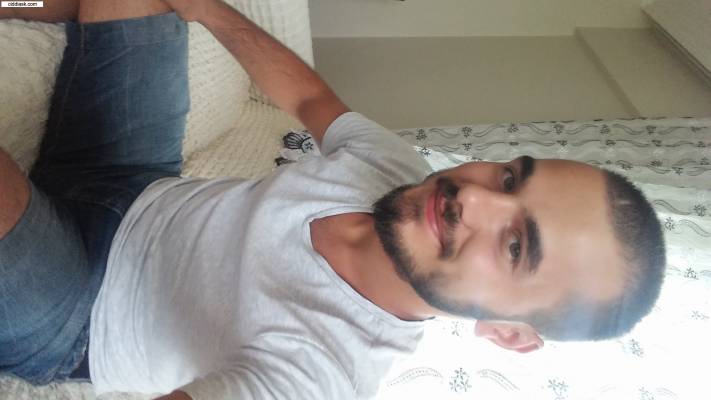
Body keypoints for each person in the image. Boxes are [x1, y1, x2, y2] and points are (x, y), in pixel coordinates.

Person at [0, 0, 666, 399]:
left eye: (515, 246)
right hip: (135, 182)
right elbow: (313, 98)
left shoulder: (325, 370)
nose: (470, 197)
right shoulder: (397, 169)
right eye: (511, 179)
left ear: (506, 332)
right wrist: (207, 9)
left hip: (78, 312)